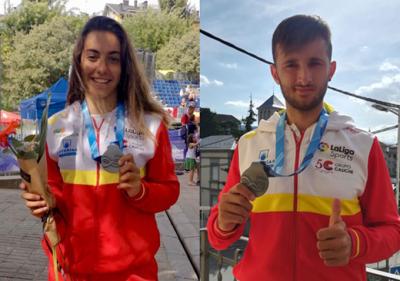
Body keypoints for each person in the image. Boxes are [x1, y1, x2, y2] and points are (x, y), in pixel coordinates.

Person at [207, 14, 400, 281]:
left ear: (331, 70)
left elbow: (392, 232)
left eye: (314, 63)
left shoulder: (364, 146)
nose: (304, 76)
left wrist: (354, 242)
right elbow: (218, 238)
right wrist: (223, 222)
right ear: (275, 72)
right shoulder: (248, 145)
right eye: (291, 65)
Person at [20, 16, 179, 281]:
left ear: (124, 65)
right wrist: (40, 201)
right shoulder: (56, 126)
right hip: (70, 271)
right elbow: (52, 195)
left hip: (133, 274)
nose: (102, 68)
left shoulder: (150, 124)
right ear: (79, 61)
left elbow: (170, 191)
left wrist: (141, 191)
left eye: (113, 59)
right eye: (93, 56)